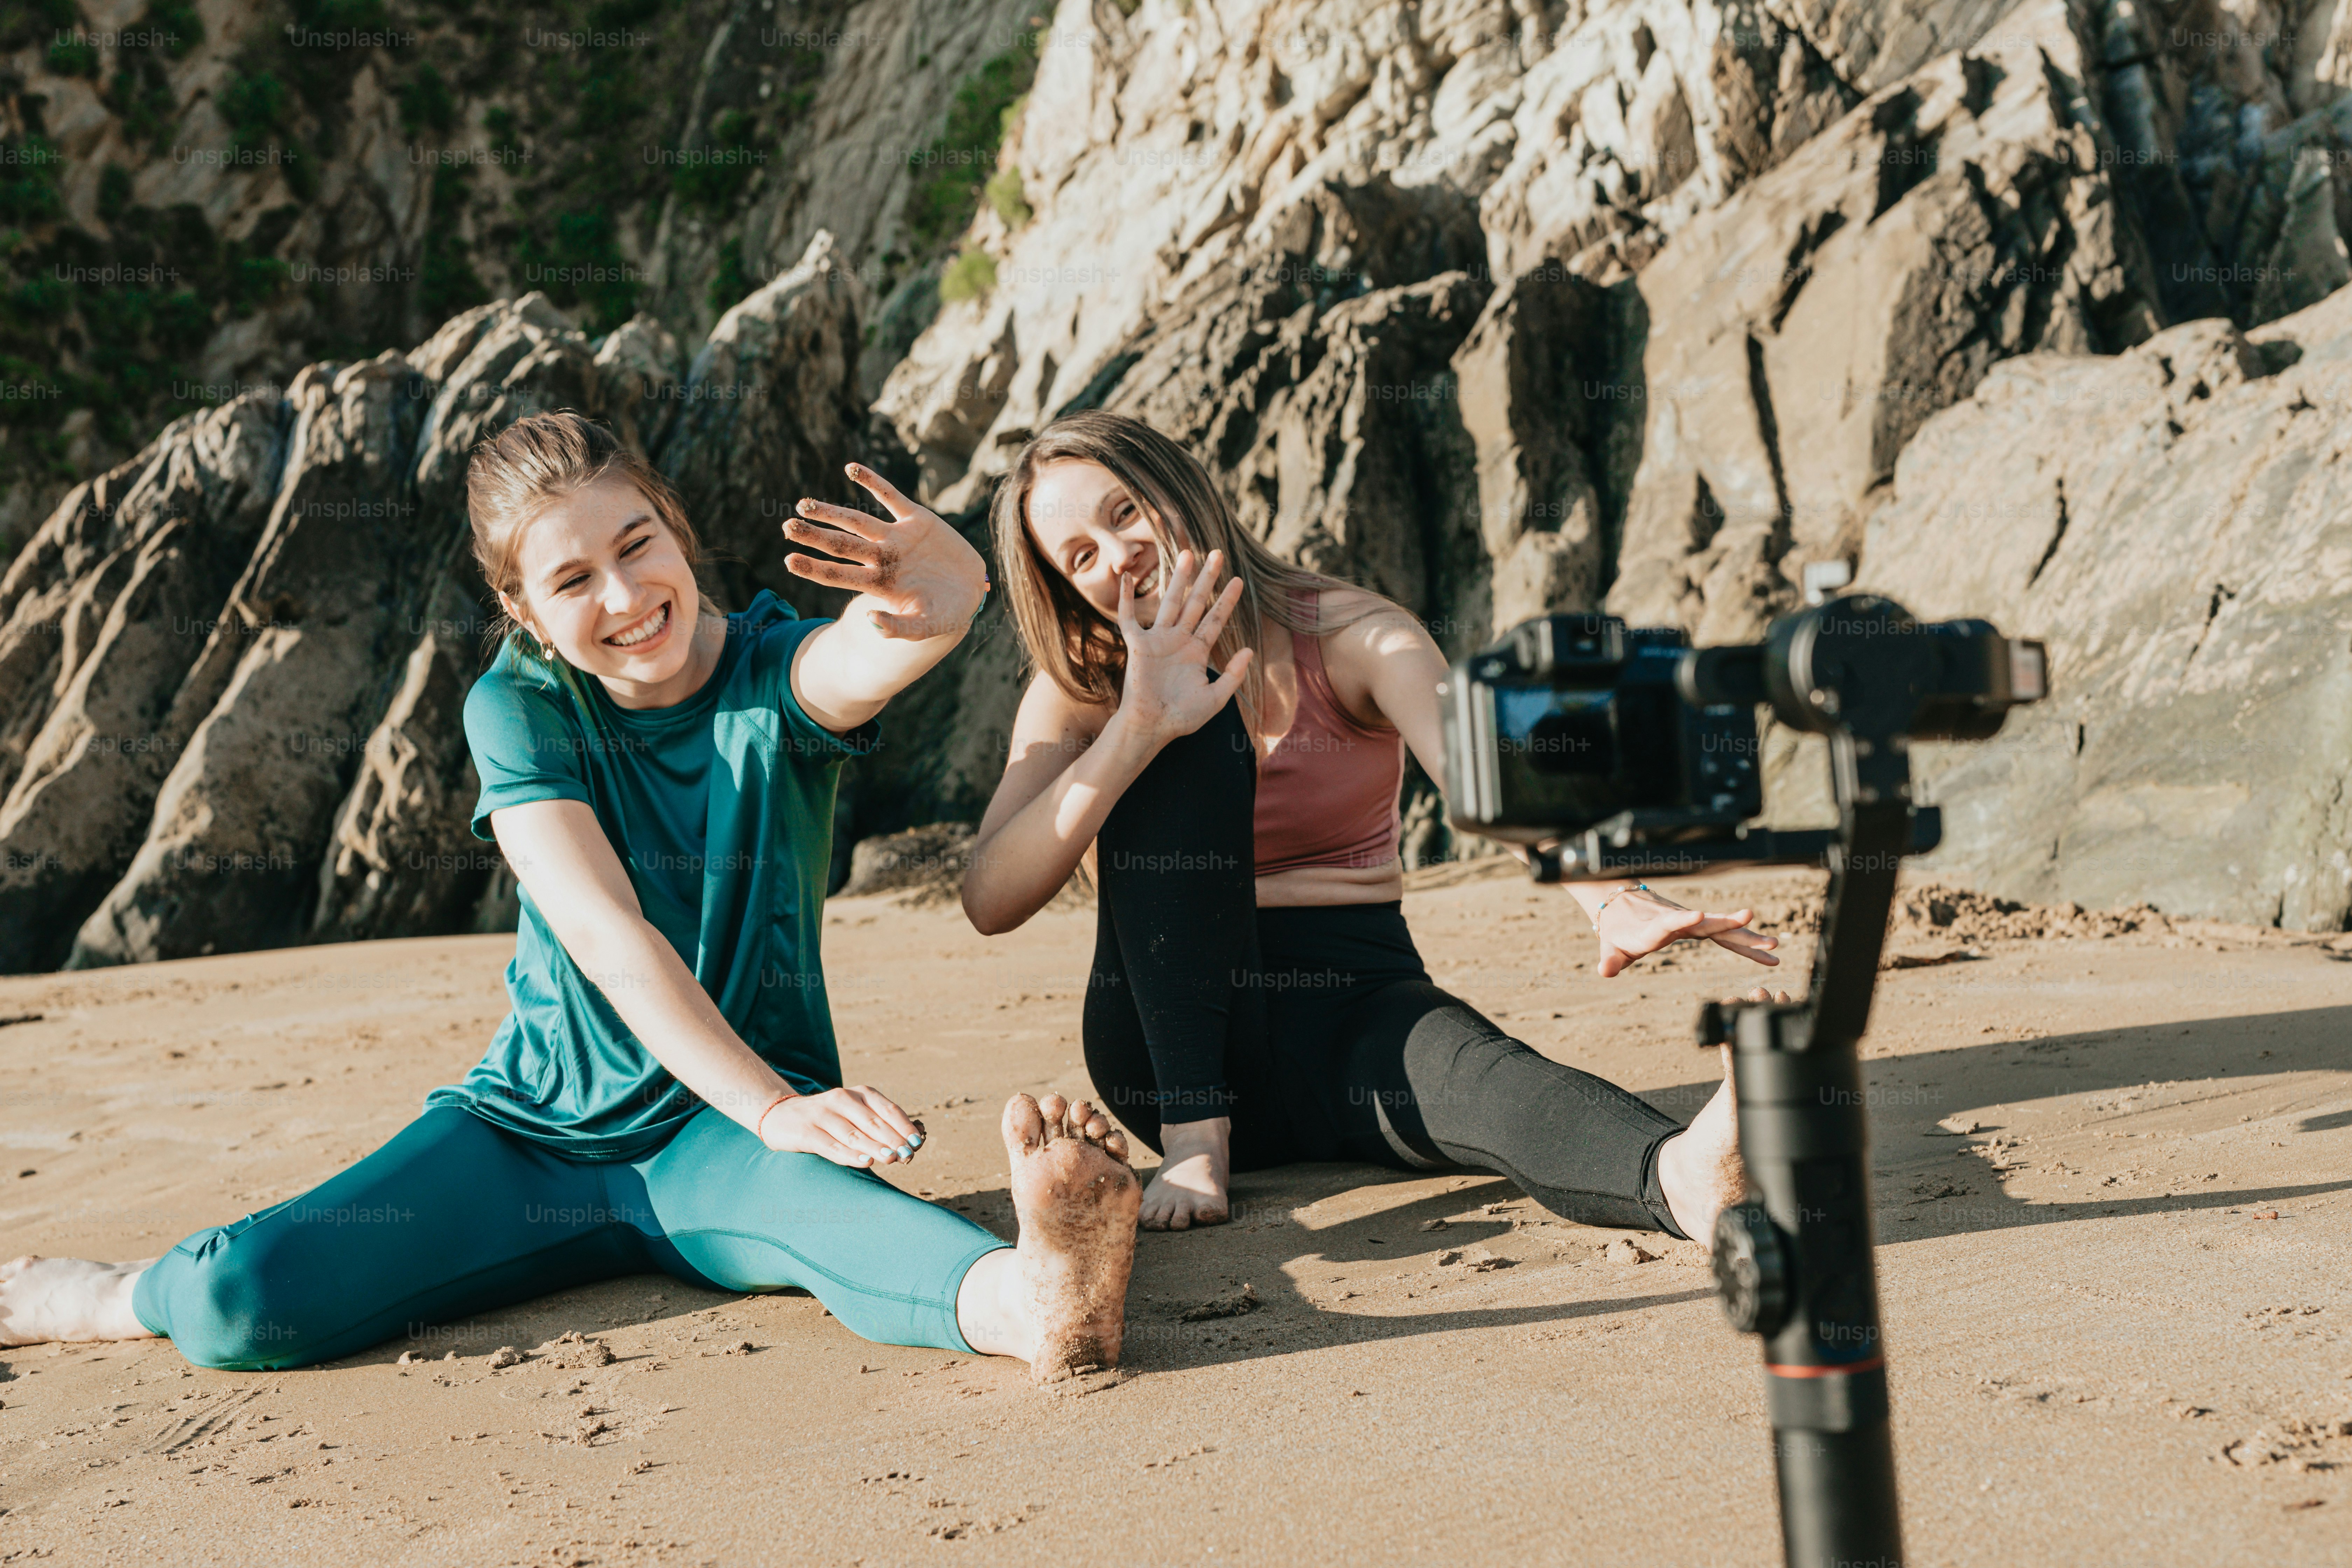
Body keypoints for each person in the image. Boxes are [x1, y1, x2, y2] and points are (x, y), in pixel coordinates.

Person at [0, 412, 1139, 1382]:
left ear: (676, 531)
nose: (627, 595)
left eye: (638, 545)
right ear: (527, 615)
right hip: (529, 1140)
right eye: (573, 581)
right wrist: (777, 1109)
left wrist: (945, 597)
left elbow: (862, 657)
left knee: (867, 1238)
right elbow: (608, 935)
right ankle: (109, 1297)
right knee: (242, 1301)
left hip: (718, 1145)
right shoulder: (521, 709)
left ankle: (1044, 1297)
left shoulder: (770, 673)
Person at [963, 410, 1789, 1237]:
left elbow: (1483, 778)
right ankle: (1195, 1133)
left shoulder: (1355, 633)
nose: (1119, 556)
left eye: (1124, 513)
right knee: (1181, 717)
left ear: (1177, 485)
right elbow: (990, 897)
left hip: (1355, 1005)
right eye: (1082, 559)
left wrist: (1612, 897)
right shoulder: (1078, 690)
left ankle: (1683, 1176)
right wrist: (1133, 729)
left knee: (1486, 1074)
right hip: (1166, 1039)